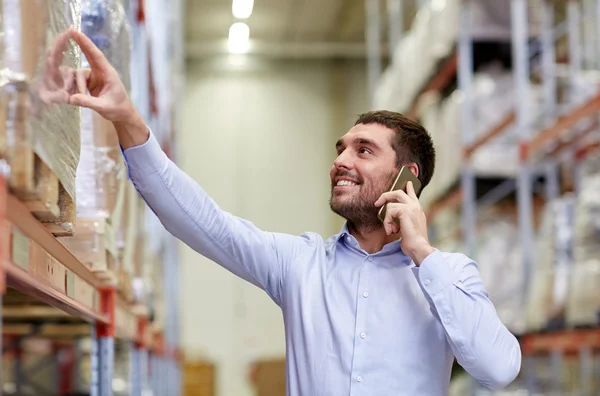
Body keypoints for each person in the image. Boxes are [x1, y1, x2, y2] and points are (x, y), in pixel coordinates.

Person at [65, 29, 521, 395]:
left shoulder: (451, 275)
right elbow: (202, 220)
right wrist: (127, 118)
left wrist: (422, 252)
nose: (341, 160)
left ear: (407, 177)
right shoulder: (300, 265)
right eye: (341, 148)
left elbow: (498, 368)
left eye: (364, 151)